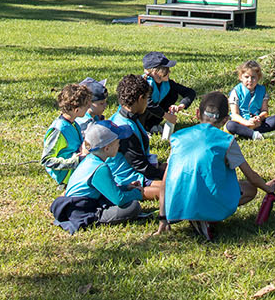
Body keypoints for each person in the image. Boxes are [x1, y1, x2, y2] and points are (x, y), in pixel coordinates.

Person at [158, 92, 275, 241]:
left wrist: (162, 217)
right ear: (225, 120)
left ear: (197, 113)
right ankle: (207, 218)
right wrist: (268, 189)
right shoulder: (226, 140)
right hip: (208, 200)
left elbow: (165, 180)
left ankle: (194, 214)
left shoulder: (178, 137)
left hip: (177, 204)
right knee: (249, 189)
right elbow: (251, 176)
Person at [51, 122, 148, 233]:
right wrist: (137, 194)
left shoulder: (90, 160)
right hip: (82, 212)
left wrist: (127, 187)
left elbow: (107, 189)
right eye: (117, 142)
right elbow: (119, 199)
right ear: (107, 148)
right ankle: (97, 219)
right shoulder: (100, 168)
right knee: (133, 207)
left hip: (76, 208)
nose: (119, 145)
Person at [105, 75, 168, 204]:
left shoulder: (124, 116)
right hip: (127, 178)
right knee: (173, 189)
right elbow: (140, 165)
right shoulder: (124, 129)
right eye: (146, 98)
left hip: (136, 171)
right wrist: (161, 174)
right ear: (140, 99)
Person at [41, 83, 92, 187]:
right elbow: (46, 160)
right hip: (67, 177)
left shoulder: (74, 123)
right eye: (86, 106)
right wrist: (75, 161)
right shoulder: (59, 129)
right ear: (76, 110)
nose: (88, 108)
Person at [140, 52, 197, 139]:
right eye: (166, 70)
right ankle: (140, 129)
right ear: (155, 72)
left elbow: (190, 92)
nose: (169, 72)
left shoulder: (168, 83)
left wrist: (182, 105)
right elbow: (149, 104)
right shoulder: (144, 84)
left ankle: (151, 125)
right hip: (135, 116)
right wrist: (167, 116)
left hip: (151, 115)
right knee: (144, 105)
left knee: (172, 94)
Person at [226, 60, 275, 140]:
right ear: (241, 77)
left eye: (253, 77)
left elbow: (265, 111)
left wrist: (259, 118)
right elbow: (235, 114)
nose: (250, 80)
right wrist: (247, 123)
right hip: (242, 121)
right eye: (246, 77)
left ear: (258, 77)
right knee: (230, 125)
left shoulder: (262, 90)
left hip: (257, 122)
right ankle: (259, 134)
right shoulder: (236, 91)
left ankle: (247, 134)